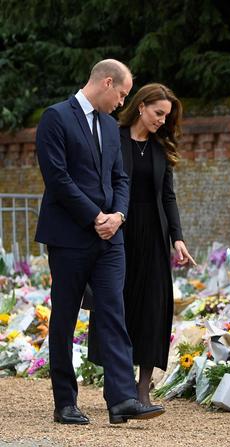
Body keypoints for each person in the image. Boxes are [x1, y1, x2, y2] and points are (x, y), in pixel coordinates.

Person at [35, 59, 164, 425]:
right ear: (107, 83)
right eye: (122, 94)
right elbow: (57, 179)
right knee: (65, 316)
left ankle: (122, 399)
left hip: (110, 237)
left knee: (113, 313)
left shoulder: (110, 126)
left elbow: (121, 179)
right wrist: (95, 217)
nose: (122, 102)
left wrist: (118, 217)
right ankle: (65, 402)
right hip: (70, 235)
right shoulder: (56, 117)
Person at [87, 83, 195, 406]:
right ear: (140, 107)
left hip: (155, 240)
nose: (162, 120)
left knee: (152, 310)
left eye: (167, 116)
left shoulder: (161, 148)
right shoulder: (113, 138)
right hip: (118, 236)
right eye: (158, 113)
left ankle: (143, 389)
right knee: (116, 307)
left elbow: (168, 196)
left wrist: (177, 237)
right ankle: (115, 386)